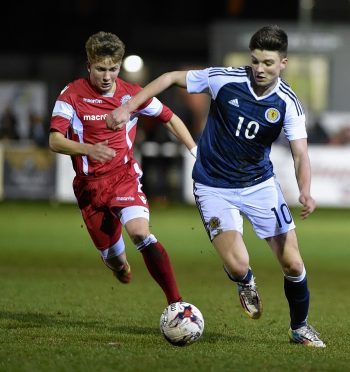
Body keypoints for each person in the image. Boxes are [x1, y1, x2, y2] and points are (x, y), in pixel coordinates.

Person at [107, 25, 325, 348]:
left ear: (283, 63)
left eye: (268, 63)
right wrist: (127, 107)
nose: (260, 69)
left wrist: (305, 190)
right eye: (255, 61)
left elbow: (301, 153)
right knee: (238, 264)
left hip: (259, 185)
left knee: (293, 262)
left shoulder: (288, 103)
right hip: (213, 185)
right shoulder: (225, 79)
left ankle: (300, 327)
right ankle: (245, 281)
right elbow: (169, 78)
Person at [49, 31, 197, 307]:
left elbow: (170, 118)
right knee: (115, 259)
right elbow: (54, 140)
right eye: (101, 69)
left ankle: (176, 304)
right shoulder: (71, 95)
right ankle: (119, 266)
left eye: (113, 69)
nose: (107, 76)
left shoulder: (132, 95)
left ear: (119, 66)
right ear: (89, 65)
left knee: (141, 233)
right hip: (89, 188)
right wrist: (88, 149)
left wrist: (194, 151)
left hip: (123, 178)